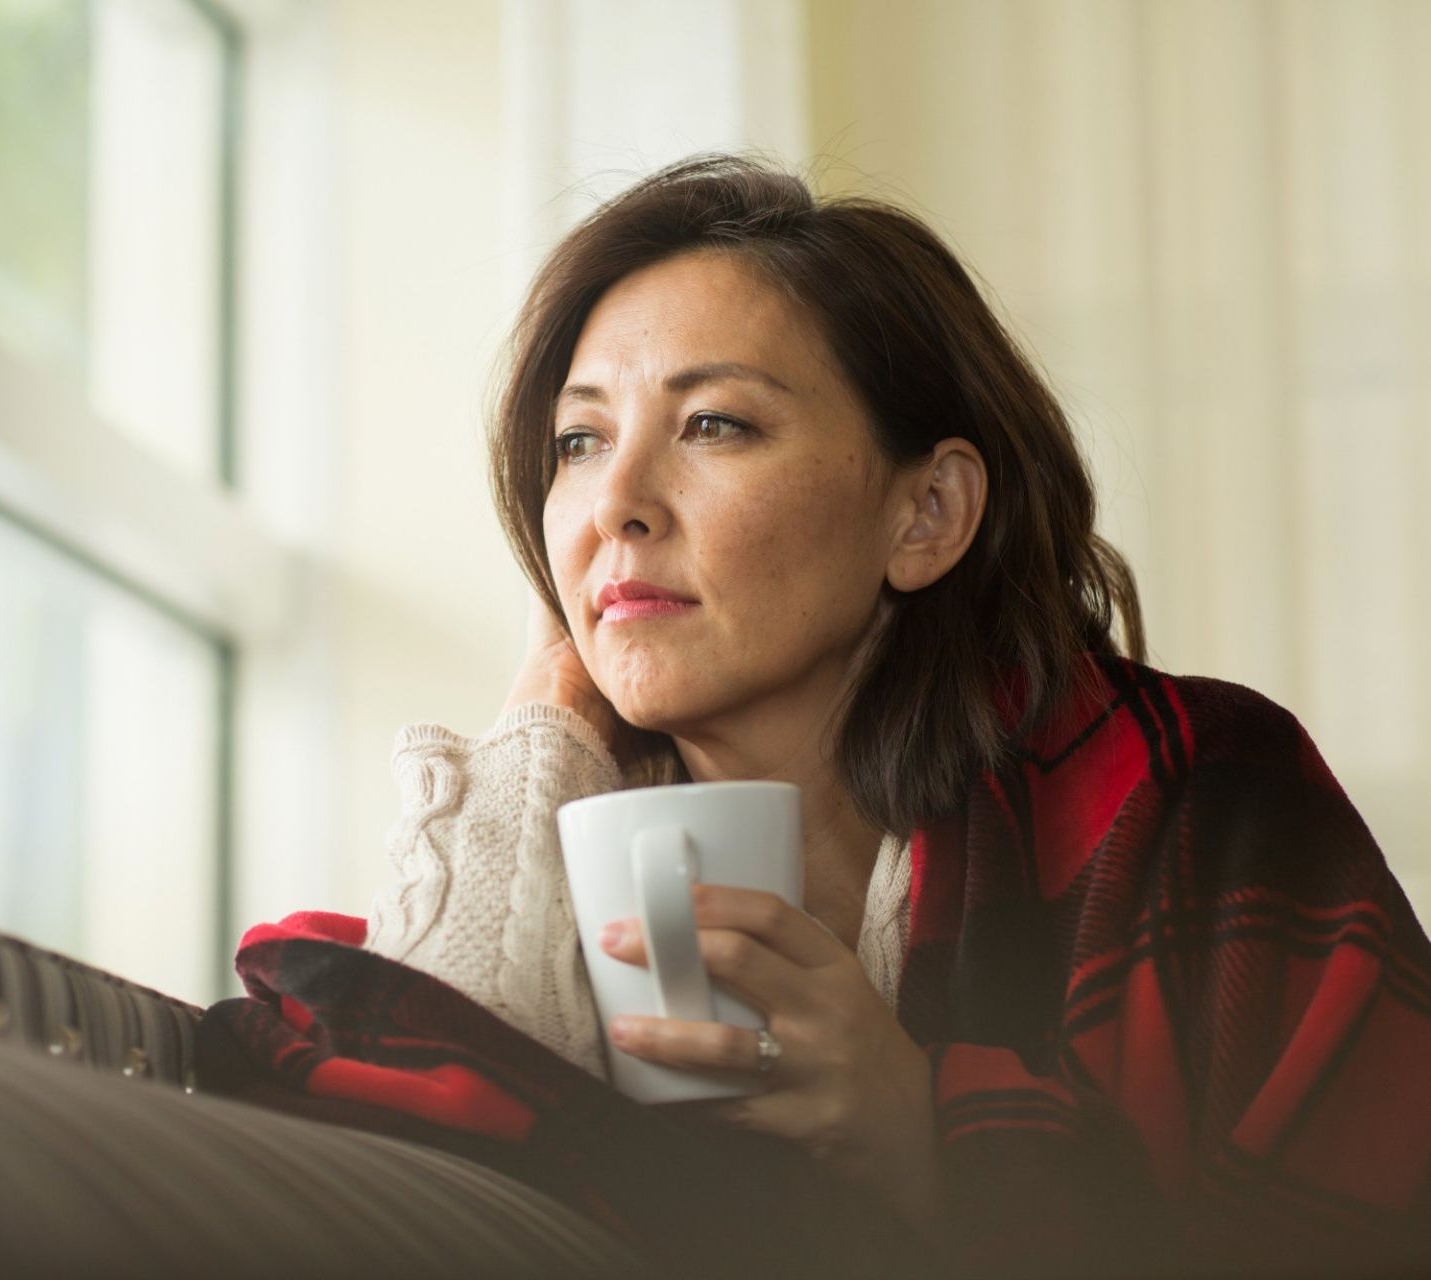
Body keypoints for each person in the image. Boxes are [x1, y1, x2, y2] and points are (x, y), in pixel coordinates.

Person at [201, 155, 1431, 1278]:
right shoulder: (552, 843)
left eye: (712, 424)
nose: (612, 504)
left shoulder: (1198, 797)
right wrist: (540, 733)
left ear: (926, 513)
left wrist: (933, 1139)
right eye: (578, 440)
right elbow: (383, 1195)